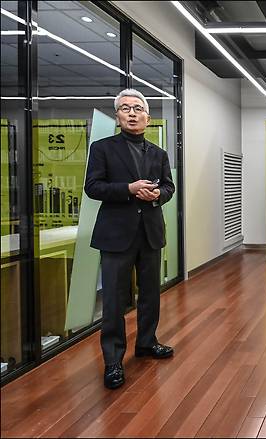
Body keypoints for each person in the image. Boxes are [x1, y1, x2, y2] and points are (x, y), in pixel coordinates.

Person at [85, 89, 175, 389]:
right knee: (113, 301)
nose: (132, 113)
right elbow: (93, 187)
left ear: (147, 118)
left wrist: (156, 195)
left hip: (149, 232)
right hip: (115, 236)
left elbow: (169, 188)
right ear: (118, 116)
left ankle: (147, 343)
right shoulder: (102, 148)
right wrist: (129, 188)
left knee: (150, 295)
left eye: (138, 108)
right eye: (125, 108)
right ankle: (113, 361)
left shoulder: (159, 154)